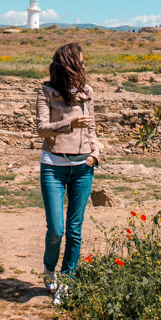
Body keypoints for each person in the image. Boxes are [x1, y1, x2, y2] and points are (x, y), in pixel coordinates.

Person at [35, 42, 101, 304]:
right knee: (56, 230)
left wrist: (96, 153)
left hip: (83, 167)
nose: (84, 67)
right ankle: (49, 269)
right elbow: (42, 129)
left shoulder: (87, 92)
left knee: (75, 229)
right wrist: (69, 124)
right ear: (67, 65)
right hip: (53, 165)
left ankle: (66, 282)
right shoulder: (46, 91)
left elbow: (93, 128)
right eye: (80, 63)